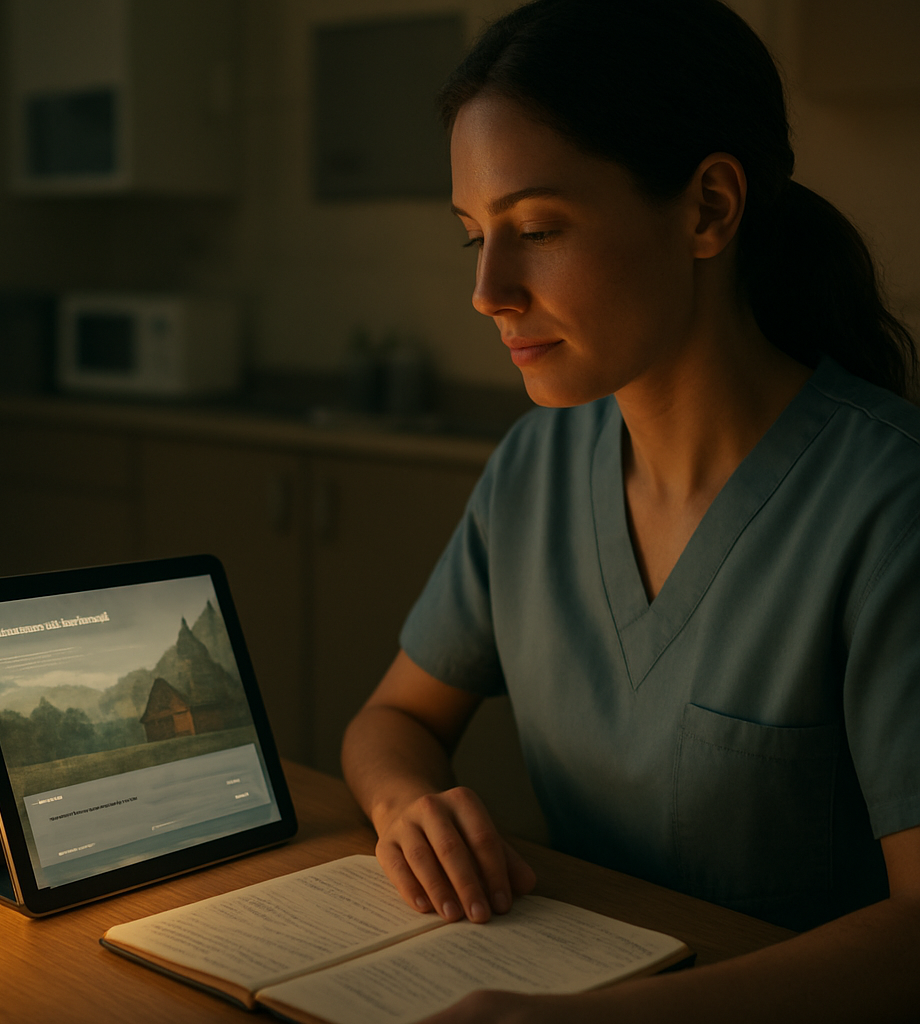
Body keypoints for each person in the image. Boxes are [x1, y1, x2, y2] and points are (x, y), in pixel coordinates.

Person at [340, 0, 920, 1019]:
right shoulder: (534, 469)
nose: (488, 290)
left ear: (707, 209)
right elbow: (389, 719)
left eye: (535, 230)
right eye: (474, 236)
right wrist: (409, 803)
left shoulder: (887, 500)